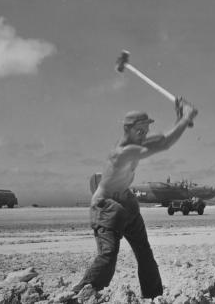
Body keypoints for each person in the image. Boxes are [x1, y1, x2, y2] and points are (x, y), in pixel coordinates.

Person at [73, 98, 198, 300]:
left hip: (127, 202)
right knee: (108, 255)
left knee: (145, 253)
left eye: (146, 130)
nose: (145, 134)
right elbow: (164, 144)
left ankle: (153, 296)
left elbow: (163, 138)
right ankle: (82, 294)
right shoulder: (123, 152)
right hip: (106, 206)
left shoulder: (135, 141)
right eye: (140, 131)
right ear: (127, 129)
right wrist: (185, 118)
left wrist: (179, 118)